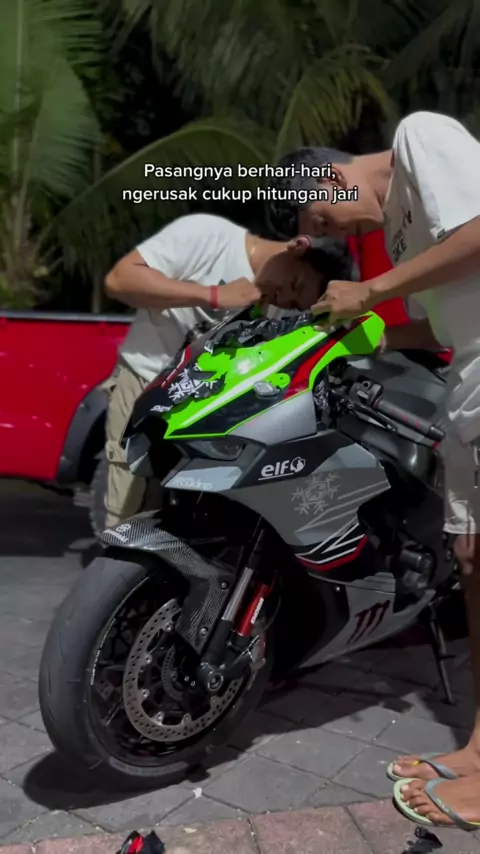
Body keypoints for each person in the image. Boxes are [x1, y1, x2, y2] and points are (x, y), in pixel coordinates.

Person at [267, 112, 480, 830]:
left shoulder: (422, 139)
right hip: (468, 385)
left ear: (329, 175)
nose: (330, 229)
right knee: (472, 563)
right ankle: (479, 751)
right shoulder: (397, 236)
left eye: (320, 214)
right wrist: (359, 332)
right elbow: (441, 322)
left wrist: (373, 289)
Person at [103, 212, 357, 529]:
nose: (283, 298)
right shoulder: (209, 236)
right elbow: (119, 280)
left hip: (208, 416)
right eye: (294, 284)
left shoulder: (277, 309)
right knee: (130, 519)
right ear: (298, 247)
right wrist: (213, 295)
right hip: (148, 388)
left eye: (294, 302)